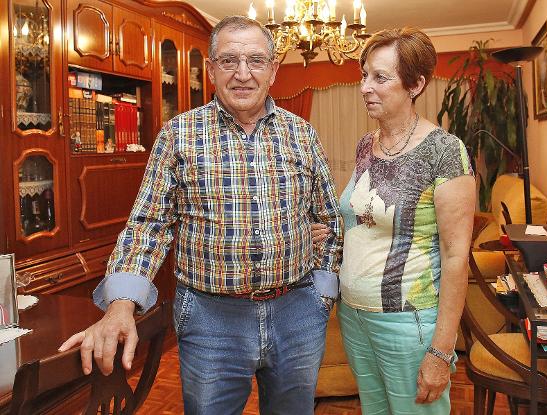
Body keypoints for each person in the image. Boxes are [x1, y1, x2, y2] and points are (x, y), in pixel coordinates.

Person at [59, 15, 343, 415]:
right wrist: (121, 304)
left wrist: (322, 295)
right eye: (229, 61)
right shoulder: (179, 134)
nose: (243, 73)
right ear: (210, 70)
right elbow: (148, 225)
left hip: (297, 314)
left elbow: (329, 218)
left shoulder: (302, 133)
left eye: (256, 61)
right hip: (211, 321)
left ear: (274, 69)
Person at [312, 27, 475, 414]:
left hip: (408, 324)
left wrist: (441, 350)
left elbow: (456, 257)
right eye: (364, 74)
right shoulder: (366, 145)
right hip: (353, 316)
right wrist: (331, 229)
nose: (365, 87)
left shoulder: (445, 151)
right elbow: (366, 219)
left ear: (416, 84)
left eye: (380, 77)